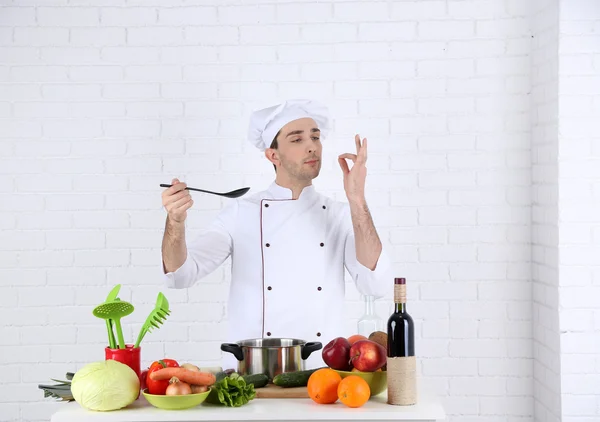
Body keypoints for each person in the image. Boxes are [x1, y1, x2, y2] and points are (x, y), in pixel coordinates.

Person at [160, 99, 392, 371]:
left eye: (315, 137)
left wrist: (357, 200)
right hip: (250, 371)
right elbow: (180, 274)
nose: (312, 146)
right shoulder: (240, 211)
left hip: (323, 373)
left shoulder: (341, 214)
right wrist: (175, 222)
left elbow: (375, 285)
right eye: (297, 139)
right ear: (273, 155)